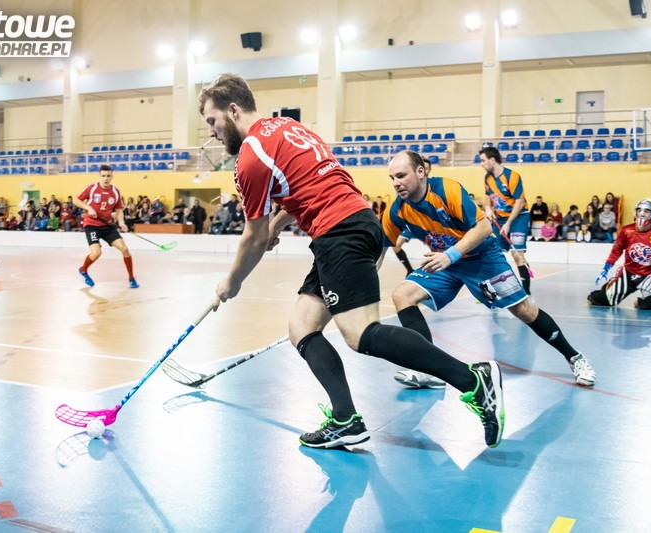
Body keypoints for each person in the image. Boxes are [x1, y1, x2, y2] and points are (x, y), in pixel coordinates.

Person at [199, 73, 504, 449]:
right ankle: (345, 418)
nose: (212, 132)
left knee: (360, 334)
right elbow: (307, 188)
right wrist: (278, 224)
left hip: (339, 232)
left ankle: (473, 380)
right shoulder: (289, 128)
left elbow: (254, 237)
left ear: (233, 110)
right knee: (302, 326)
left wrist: (232, 281)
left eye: (212, 121)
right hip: (353, 223)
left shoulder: (250, 157)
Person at [384, 151, 595, 388]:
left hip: (480, 258)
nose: (396, 183)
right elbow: (379, 247)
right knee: (402, 295)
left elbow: (484, 227)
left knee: (523, 310)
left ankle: (574, 357)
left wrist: (450, 255)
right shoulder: (396, 209)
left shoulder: (446, 190)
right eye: (392, 178)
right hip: (446, 263)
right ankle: (430, 369)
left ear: (421, 172)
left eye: (401, 176)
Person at [588, 198, 651, 310]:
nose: (642, 214)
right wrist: (606, 268)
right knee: (602, 300)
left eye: (646, 211)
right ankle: (601, 293)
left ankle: (639, 302)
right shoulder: (626, 231)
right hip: (628, 273)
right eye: (639, 210)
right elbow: (616, 250)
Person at [72, 165, 138, 289]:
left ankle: (131, 277)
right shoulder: (92, 188)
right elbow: (76, 200)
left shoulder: (116, 191)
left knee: (124, 249)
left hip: (107, 225)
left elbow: (119, 210)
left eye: (108, 176)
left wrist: (121, 222)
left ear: (112, 176)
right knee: (96, 253)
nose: (106, 178)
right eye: (103, 176)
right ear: (100, 176)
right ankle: (83, 270)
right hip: (92, 225)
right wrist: (88, 208)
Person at [479, 146, 532, 295]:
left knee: (517, 255)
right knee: (495, 254)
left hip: (518, 218)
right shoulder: (487, 178)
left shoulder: (512, 176)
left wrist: (508, 224)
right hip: (499, 219)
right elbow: (488, 196)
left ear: (492, 160)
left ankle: (526, 293)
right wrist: (488, 208)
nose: (481, 164)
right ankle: (496, 290)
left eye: (483, 160)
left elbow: (520, 202)